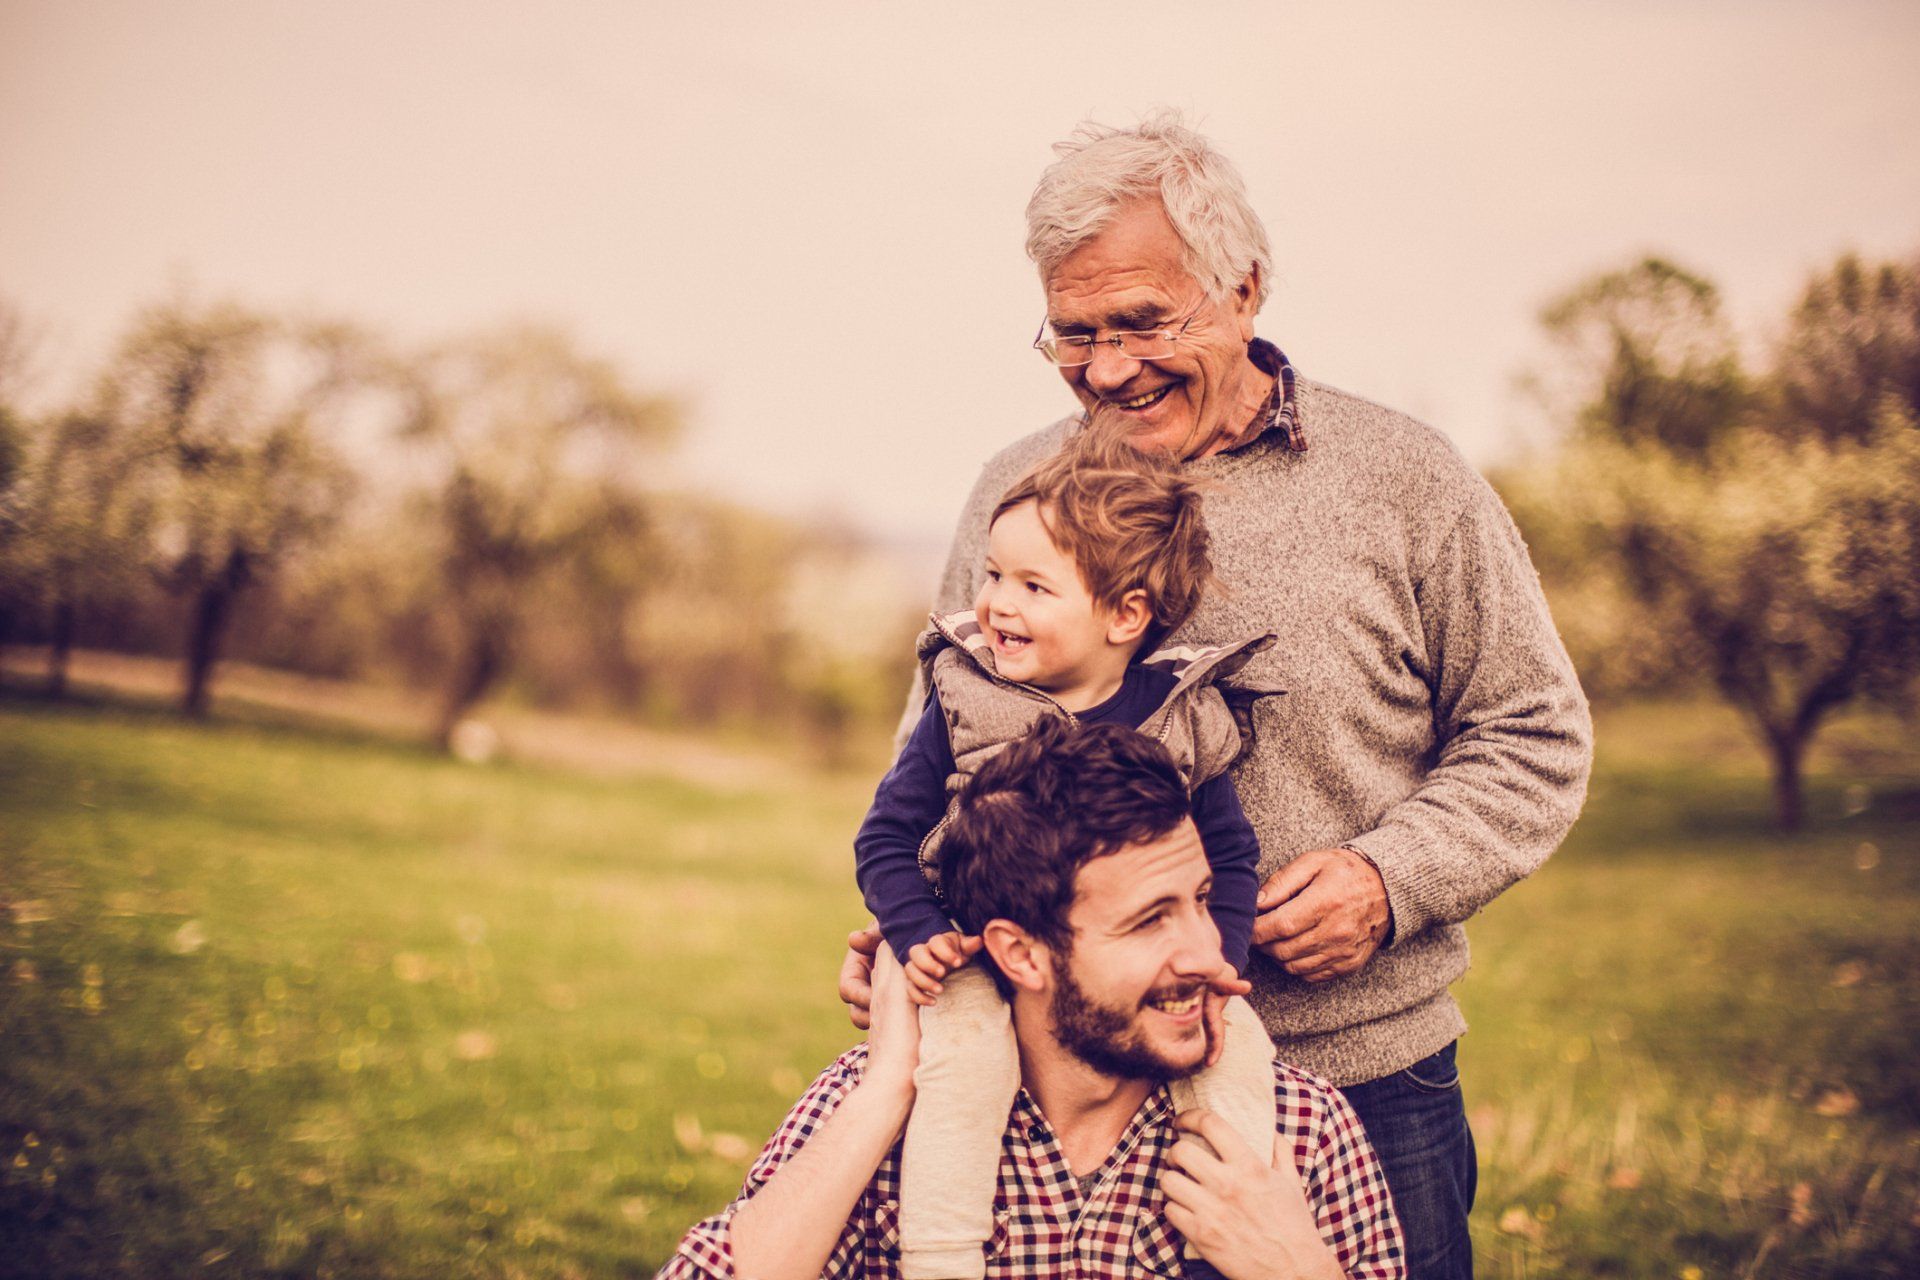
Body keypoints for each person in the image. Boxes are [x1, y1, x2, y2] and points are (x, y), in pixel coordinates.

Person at [841, 111, 1594, 1278]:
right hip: (1057, 1093)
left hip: (1356, 1072)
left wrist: (1389, 882)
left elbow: (1534, 731)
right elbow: (944, 757)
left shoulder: (1404, 479)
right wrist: (917, 921)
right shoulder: (1016, 490)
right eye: (1072, 332)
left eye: (1142, 321)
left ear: (1245, 289)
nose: (1107, 367)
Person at [656, 720, 1405, 1280]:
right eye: (1149, 921)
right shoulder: (881, 1110)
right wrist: (886, 1086)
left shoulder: (1299, 1133)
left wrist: (1298, 1270)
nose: (1211, 956)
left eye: (1202, 901)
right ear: (1020, 953)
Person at [854, 434, 1276, 1279]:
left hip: (1135, 978)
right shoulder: (965, 697)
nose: (997, 604)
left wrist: (1215, 961)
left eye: (1033, 586)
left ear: (1126, 614)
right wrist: (916, 929)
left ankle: (1227, 1241)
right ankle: (941, 1257)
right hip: (977, 957)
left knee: (1241, 1060)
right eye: (994, 574)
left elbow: (1229, 856)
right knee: (964, 1067)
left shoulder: (1179, 713)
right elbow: (886, 835)